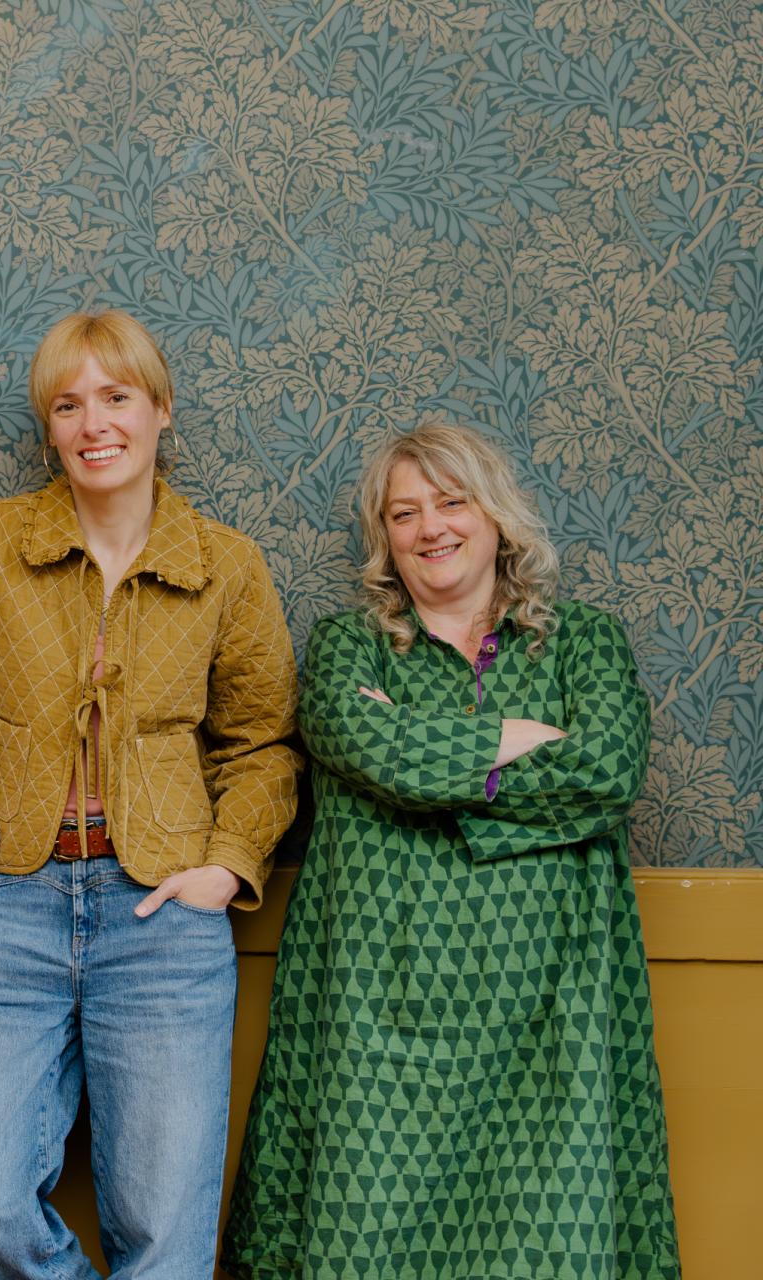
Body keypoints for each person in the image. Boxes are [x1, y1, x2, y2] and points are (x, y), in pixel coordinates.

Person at [222, 423, 679, 1278]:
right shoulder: (347, 647)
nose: (430, 527)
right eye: (405, 513)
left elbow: (608, 768)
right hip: (379, 1017)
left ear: (496, 515)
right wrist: (513, 737)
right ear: (385, 539)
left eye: (451, 501)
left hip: (552, 1015)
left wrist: (431, 771)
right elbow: (359, 742)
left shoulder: (582, 642)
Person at [0, 310, 302, 1278]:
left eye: (117, 396)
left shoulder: (228, 564)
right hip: (6, 907)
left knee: (166, 1236)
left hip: (164, 915)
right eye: (68, 402)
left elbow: (263, 742)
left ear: (161, 410)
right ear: (48, 427)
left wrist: (226, 864)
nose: (95, 422)